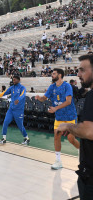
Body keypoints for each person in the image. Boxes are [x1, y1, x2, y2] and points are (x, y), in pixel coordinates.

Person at [57, 55, 93, 199]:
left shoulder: (92, 95)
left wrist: (68, 126)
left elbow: (89, 131)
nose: (78, 74)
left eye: (82, 70)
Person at [35, 68, 80, 170]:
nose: (52, 75)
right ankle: (58, 161)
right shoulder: (52, 87)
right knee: (56, 136)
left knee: (70, 139)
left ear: (60, 75)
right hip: (59, 117)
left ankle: (82, 151)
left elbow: (68, 101)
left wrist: (55, 108)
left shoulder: (67, 86)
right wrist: (39, 98)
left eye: (54, 74)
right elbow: (44, 98)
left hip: (70, 116)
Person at [0, 75, 30, 145]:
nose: (13, 81)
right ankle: (4, 138)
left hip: (19, 110)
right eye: (13, 80)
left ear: (18, 80)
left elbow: (23, 95)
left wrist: (18, 99)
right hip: (11, 109)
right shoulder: (12, 88)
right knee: (5, 122)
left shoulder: (22, 87)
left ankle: (26, 138)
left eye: (14, 80)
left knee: (20, 126)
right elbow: (4, 93)